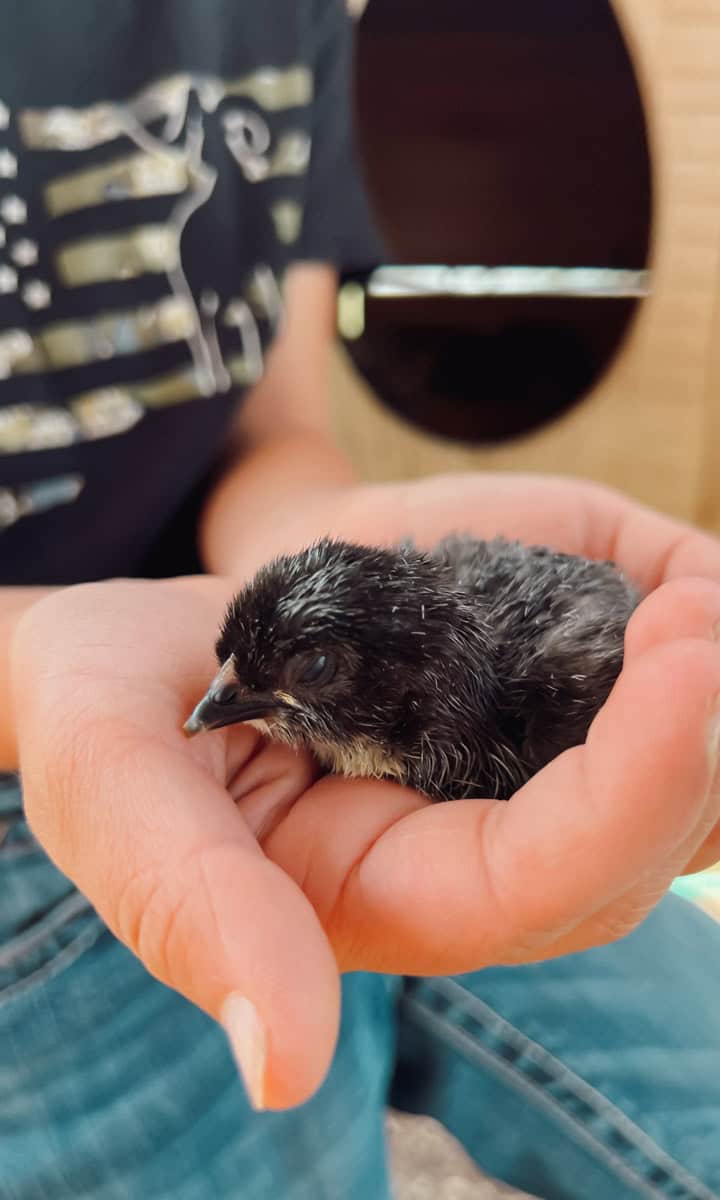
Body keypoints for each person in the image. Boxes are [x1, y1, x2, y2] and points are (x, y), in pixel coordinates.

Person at [1, 2, 719, 1197]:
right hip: (38, 776)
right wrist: (36, 670)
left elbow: (271, 427)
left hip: (307, 690)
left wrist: (291, 543)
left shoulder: (279, 15)